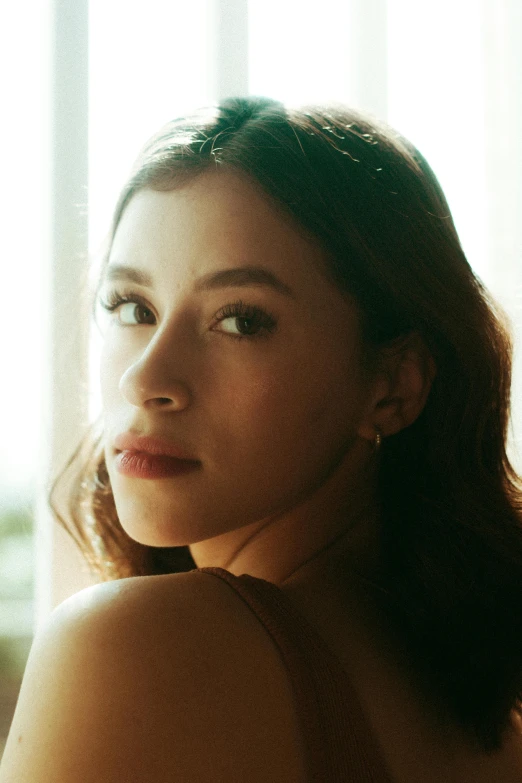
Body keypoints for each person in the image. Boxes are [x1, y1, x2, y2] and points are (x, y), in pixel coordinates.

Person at [1, 96, 522, 782]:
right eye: (134, 308)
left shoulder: (133, 649)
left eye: (241, 320)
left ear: (393, 385)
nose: (146, 376)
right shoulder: (485, 716)